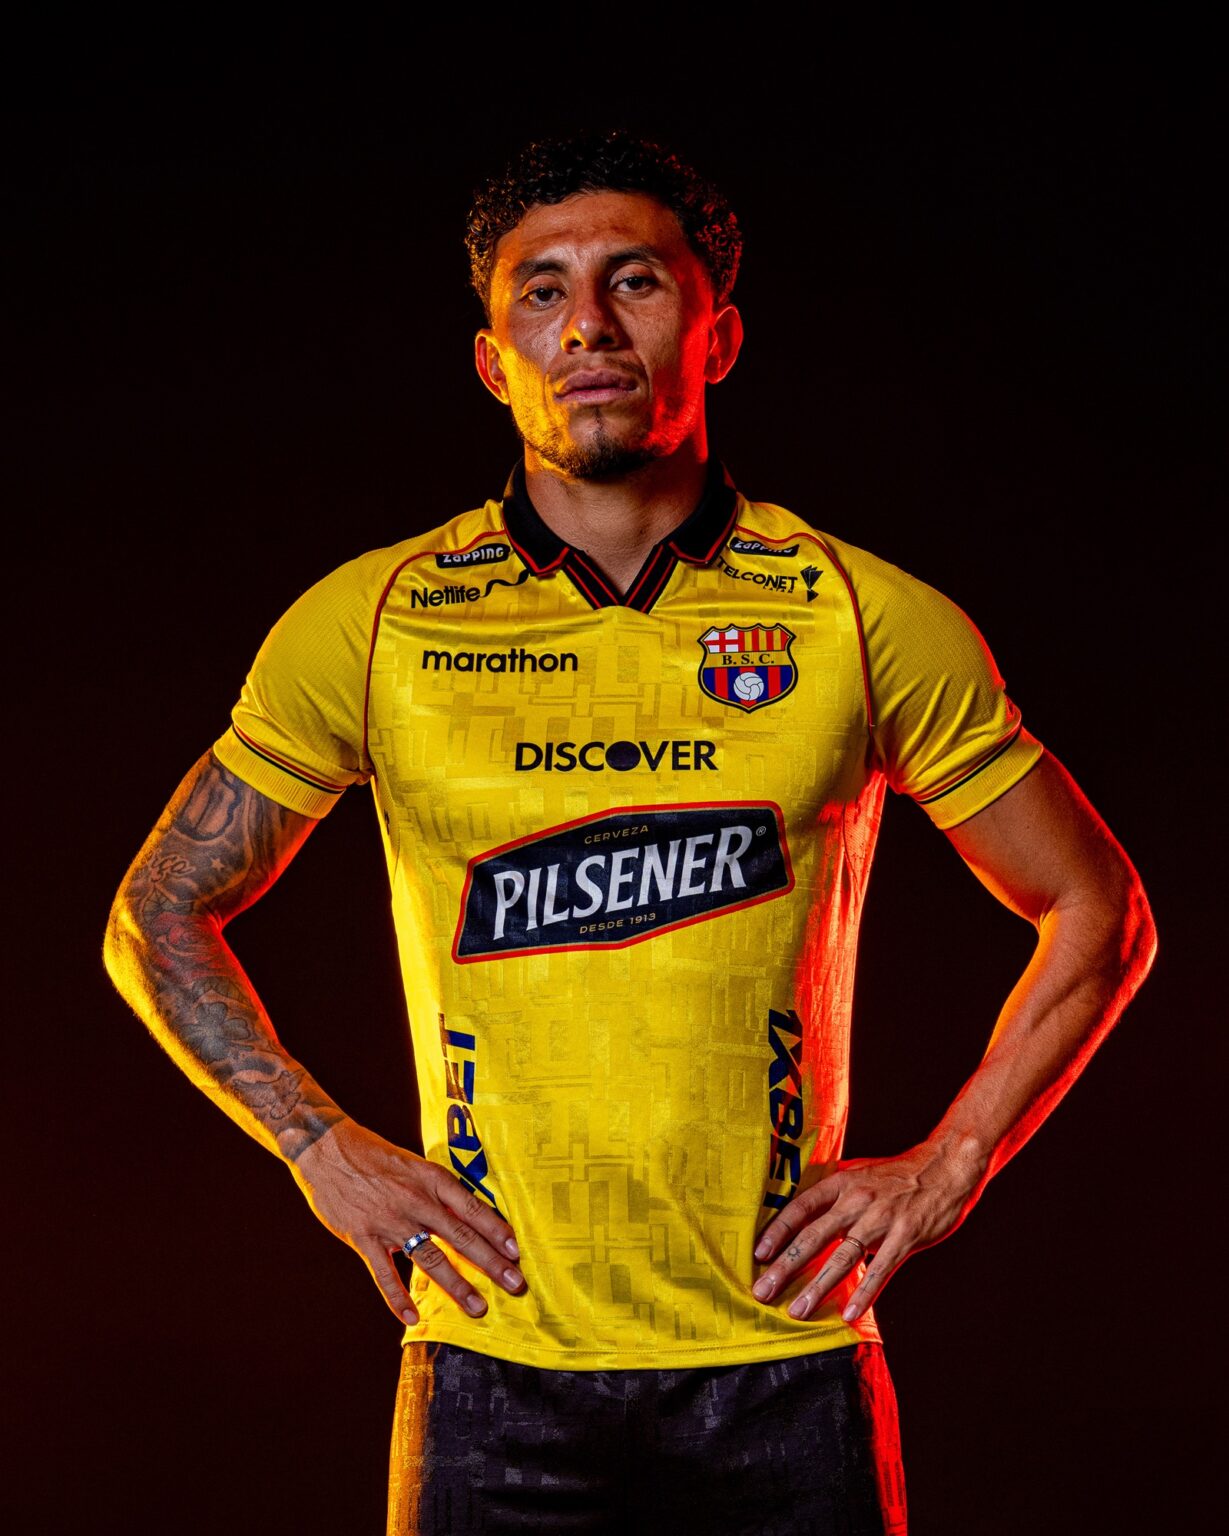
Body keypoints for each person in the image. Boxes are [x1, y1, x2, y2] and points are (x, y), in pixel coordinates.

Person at [104, 131, 1155, 1535]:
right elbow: (155, 912)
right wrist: (317, 1148)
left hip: (785, 1363)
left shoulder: (858, 614)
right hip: (491, 1367)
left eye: (635, 281)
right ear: (494, 361)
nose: (587, 324)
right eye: (540, 291)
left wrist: (947, 1165)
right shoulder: (375, 620)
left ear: (717, 335)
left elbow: (1099, 909)